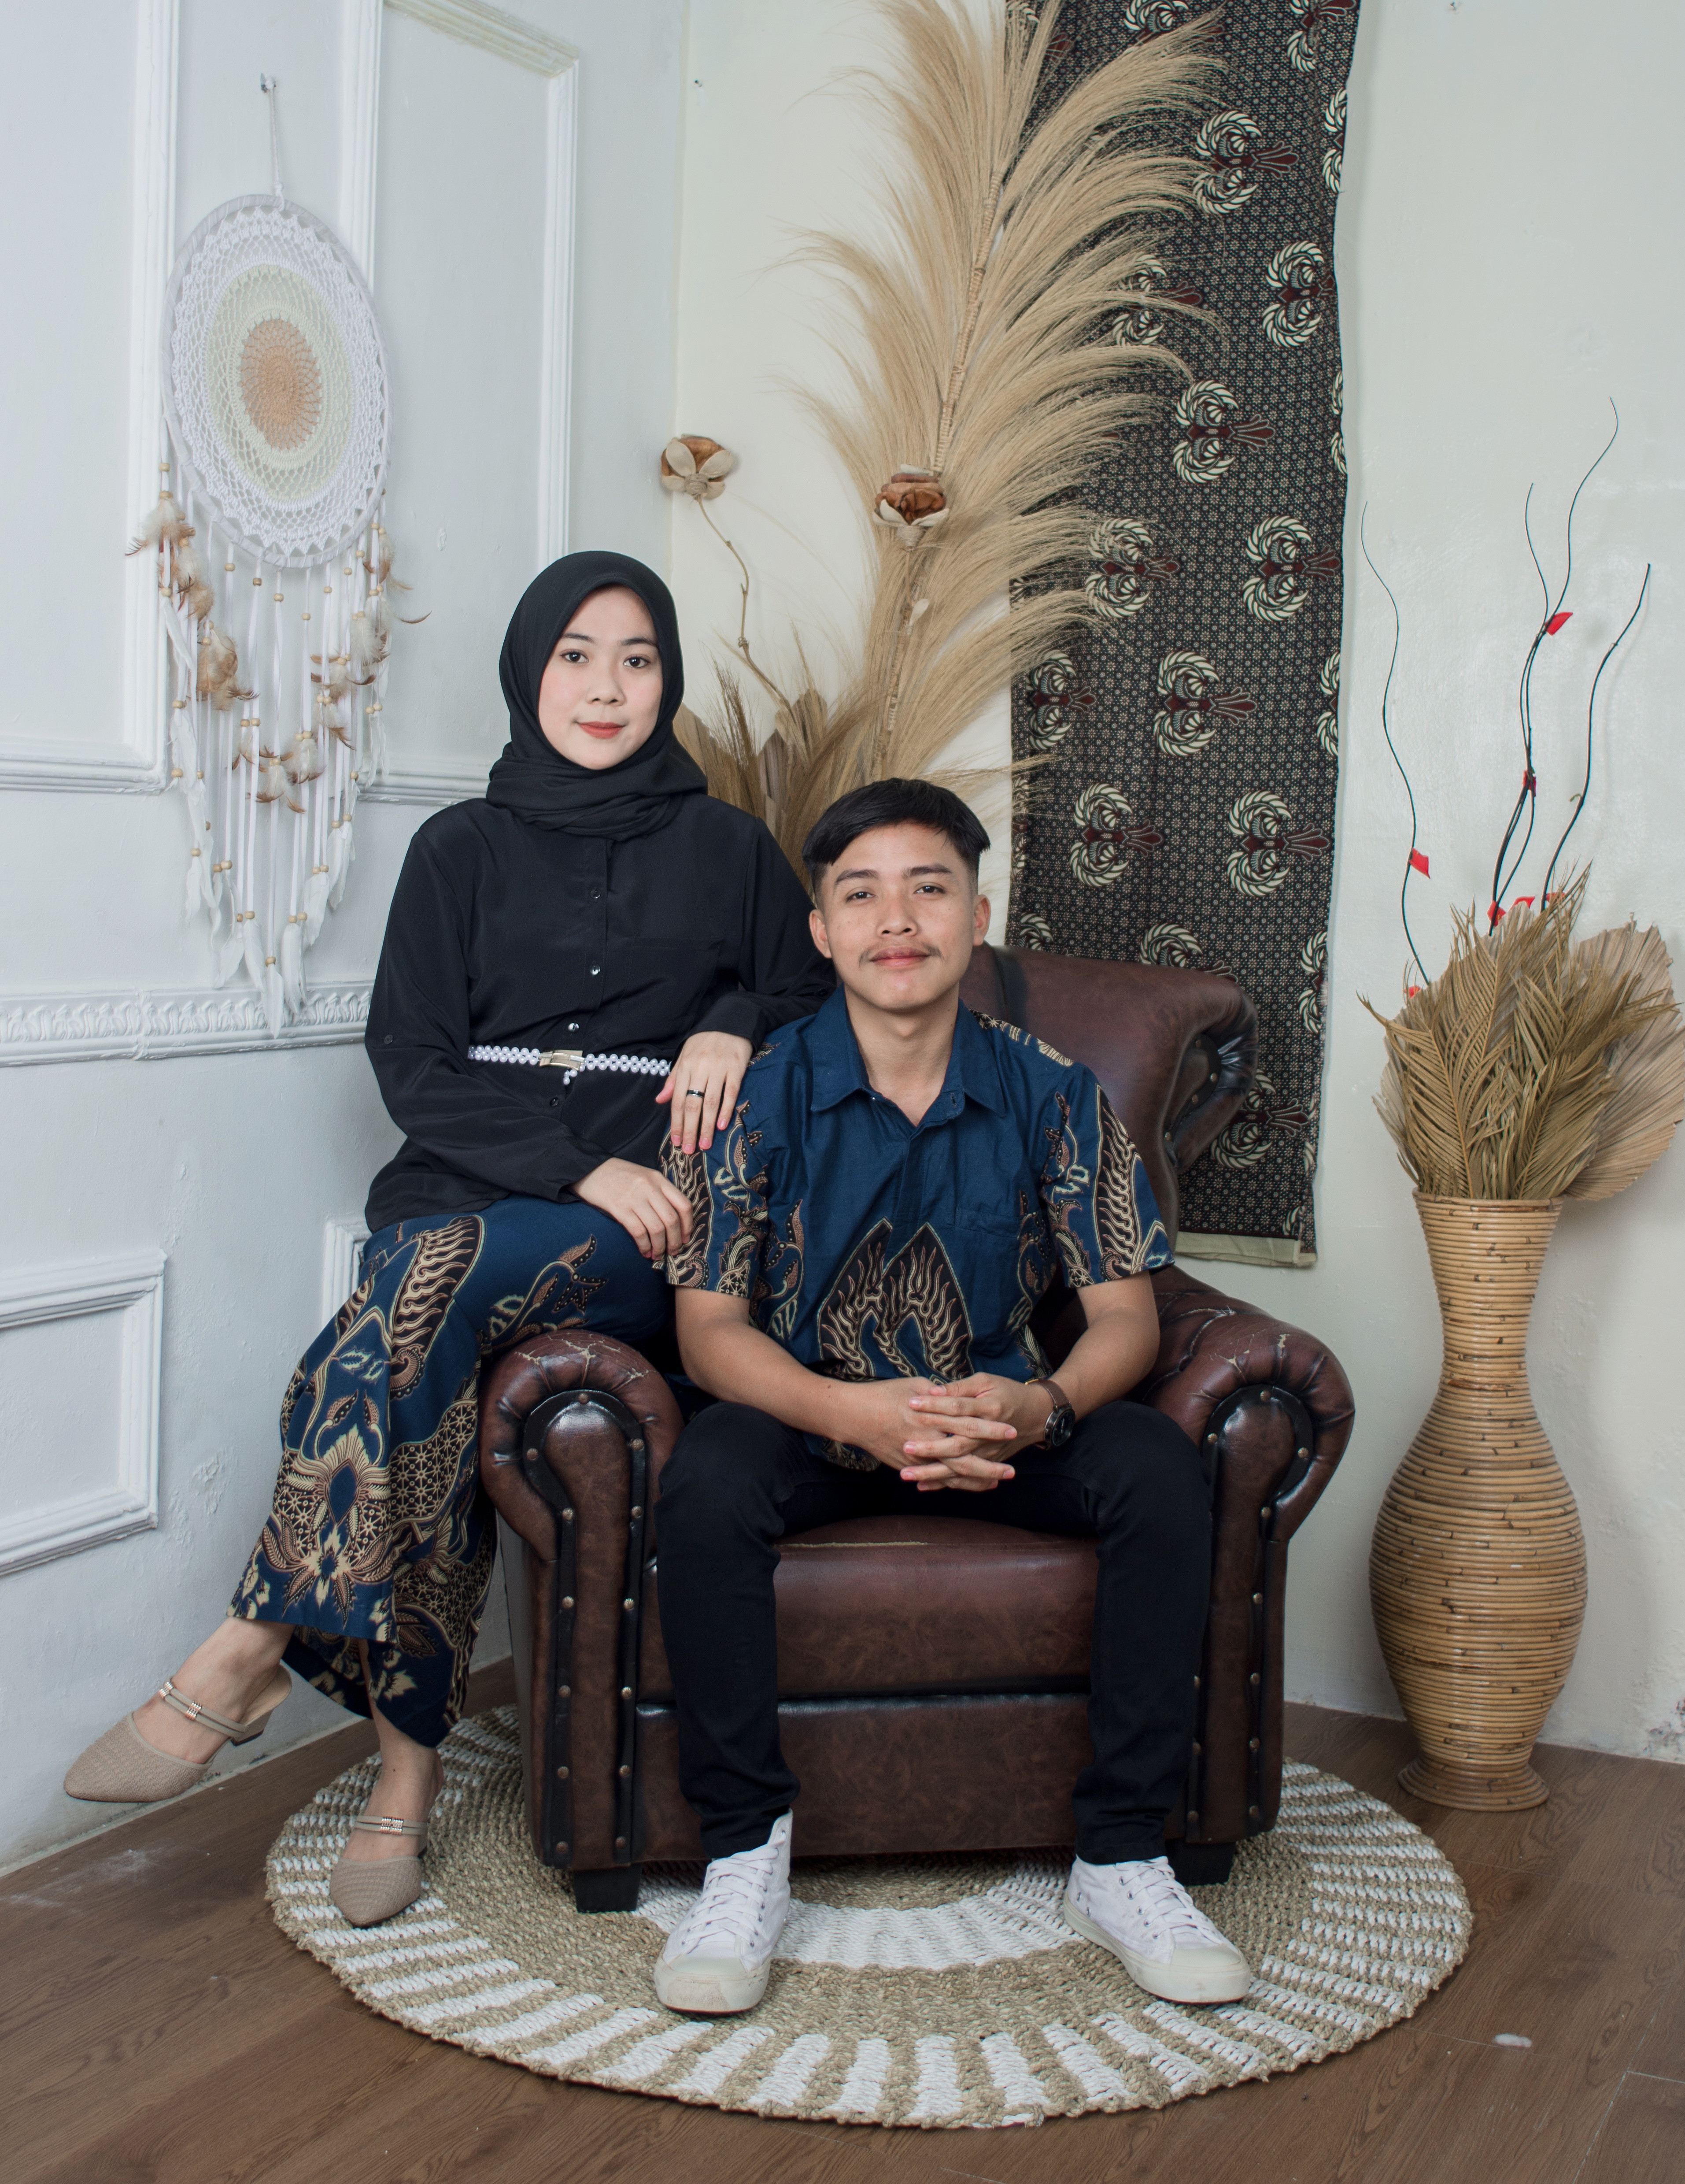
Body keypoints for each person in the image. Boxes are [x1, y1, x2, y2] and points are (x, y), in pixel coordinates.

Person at [64, 550, 832, 1929]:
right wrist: (575, 1163)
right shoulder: (457, 849)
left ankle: (255, 1646)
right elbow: (411, 1062)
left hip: (647, 1220)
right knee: (422, 1319)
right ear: (528, 670)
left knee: (406, 1292)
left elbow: (808, 995)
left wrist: (731, 1024)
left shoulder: (730, 849)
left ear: (667, 679)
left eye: (638, 658)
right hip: (475, 1184)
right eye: (576, 655)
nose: (606, 687)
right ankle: (404, 1770)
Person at [648, 777, 1250, 2016]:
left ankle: (1122, 1856)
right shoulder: (753, 1098)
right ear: (820, 931)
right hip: (811, 1422)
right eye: (860, 896)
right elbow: (708, 1333)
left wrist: (1040, 1411)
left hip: (995, 1422)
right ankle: (743, 1854)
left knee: (1155, 1468)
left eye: (928, 890)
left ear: (976, 917)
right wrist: (851, 1415)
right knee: (706, 1480)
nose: (896, 921)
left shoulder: (1054, 1092)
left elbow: (1126, 1318)